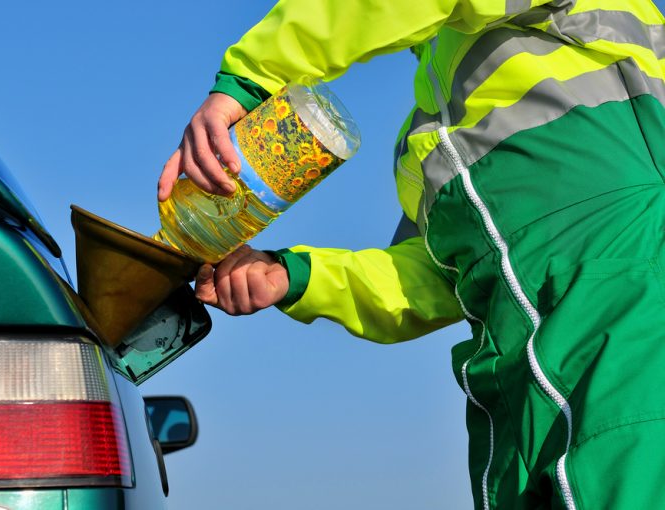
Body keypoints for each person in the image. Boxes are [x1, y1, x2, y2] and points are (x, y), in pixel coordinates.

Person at [158, 1, 665, 508]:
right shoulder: (427, 141)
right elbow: (435, 280)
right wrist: (294, 276)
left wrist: (252, 76)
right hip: (512, 392)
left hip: (625, 318)